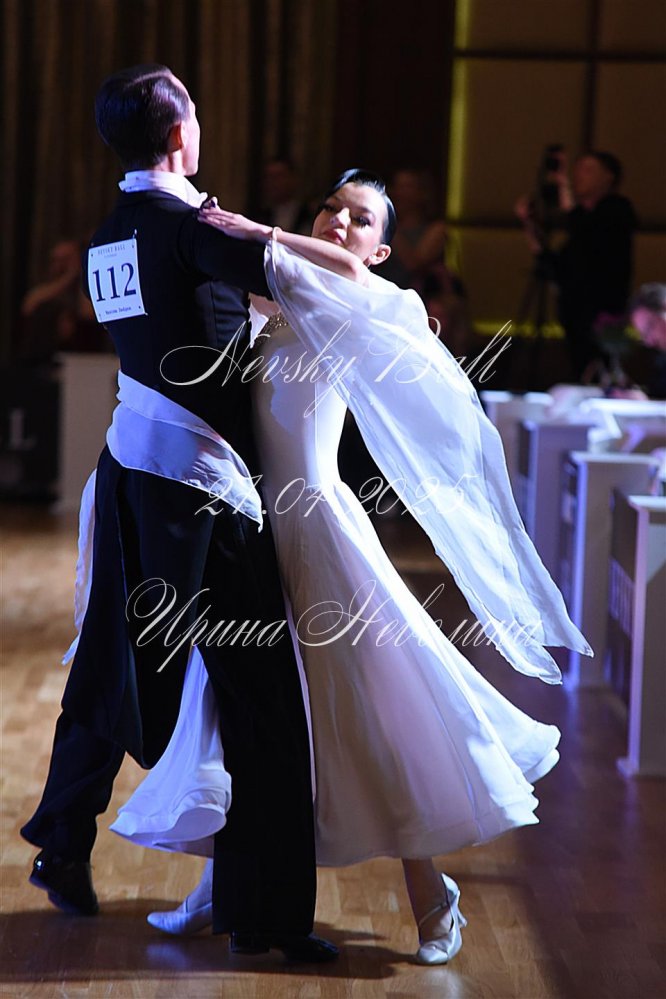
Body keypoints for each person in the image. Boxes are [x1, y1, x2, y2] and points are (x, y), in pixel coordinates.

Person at [111, 170, 591, 965]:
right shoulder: (278, 292)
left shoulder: (368, 298)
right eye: (333, 208)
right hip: (251, 527)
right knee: (235, 711)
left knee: (373, 711)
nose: (339, 222)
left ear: (382, 249)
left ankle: (430, 894)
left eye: (360, 219)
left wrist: (255, 230)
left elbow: (352, 284)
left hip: (321, 530)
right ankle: (222, 884)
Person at [20, 63, 345, 963]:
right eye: (193, 111)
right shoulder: (193, 227)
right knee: (259, 694)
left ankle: (63, 837)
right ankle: (266, 917)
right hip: (201, 488)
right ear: (178, 136)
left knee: (115, 666)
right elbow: (323, 281)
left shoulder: (107, 234)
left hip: (132, 468)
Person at [516, 149, 637, 381]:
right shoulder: (579, 228)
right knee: (580, 370)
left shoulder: (618, 210)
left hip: (606, 316)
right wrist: (529, 225)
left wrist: (563, 187)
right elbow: (554, 264)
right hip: (575, 316)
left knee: (604, 373)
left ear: (608, 177)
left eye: (588, 170)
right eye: (577, 170)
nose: (579, 176)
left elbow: (587, 229)